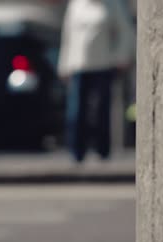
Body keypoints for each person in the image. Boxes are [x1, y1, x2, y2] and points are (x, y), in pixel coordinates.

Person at [57, 0, 135, 162]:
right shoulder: (76, 5)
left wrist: (120, 57)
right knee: (76, 110)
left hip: (103, 65)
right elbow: (68, 36)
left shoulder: (112, 5)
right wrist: (63, 65)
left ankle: (102, 150)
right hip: (78, 65)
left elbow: (125, 32)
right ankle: (77, 152)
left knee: (101, 110)